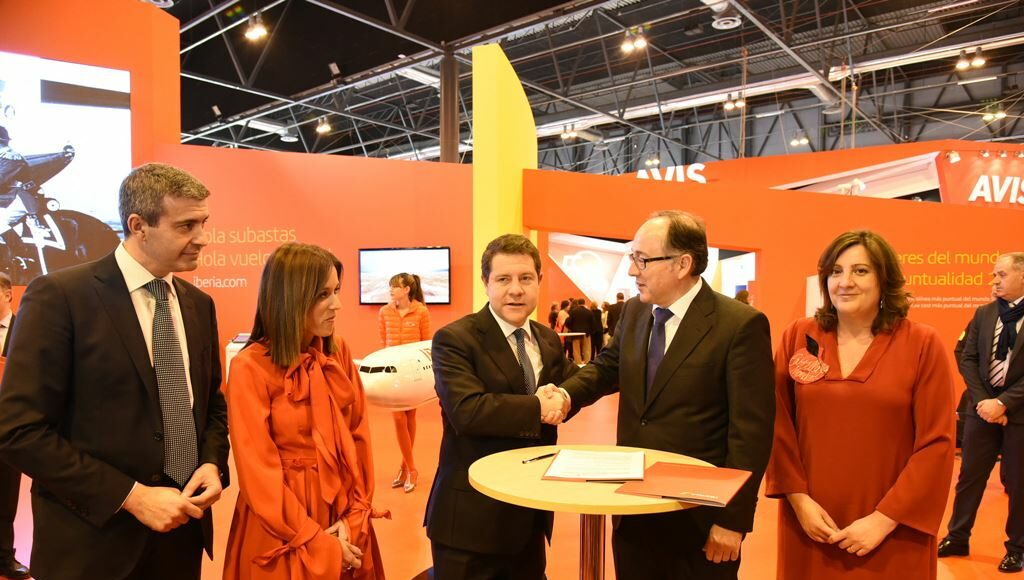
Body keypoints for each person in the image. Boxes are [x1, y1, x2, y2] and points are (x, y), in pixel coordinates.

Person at [0, 163, 230, 580]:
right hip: (92, 546)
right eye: (186, 226)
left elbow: (211, 405)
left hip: (181, 537)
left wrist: (212, 463)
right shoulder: (60, 297)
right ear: (139, 226)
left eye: (204, 223)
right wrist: (132, 497)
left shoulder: (199, 305)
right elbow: (19, 431)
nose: (202, 238)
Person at [556, 210, 774, 579]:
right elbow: (608, 367)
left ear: (682, 264)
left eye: (642, 259)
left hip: (698, 520)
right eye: (632, 258)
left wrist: (732, 521)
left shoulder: (739, 326)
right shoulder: (636, 312)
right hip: (634, 511)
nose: (632, 270)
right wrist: (565, 395)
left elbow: (751, 433)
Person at [766, 230, 954, 580]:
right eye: (835, 271)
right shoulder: (799, 336)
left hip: (893, 530)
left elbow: (937, 443)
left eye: (860, 271)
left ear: (885, 279)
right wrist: (798, 501)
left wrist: (883, 520)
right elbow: (777, 424)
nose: (845, 282)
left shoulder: (922, 343)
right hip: (811, 524)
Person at [223, 242, 387, 580]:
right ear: (290, 298)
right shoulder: (249, 367)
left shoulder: (338, 352)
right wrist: (314, 539)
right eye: (323, 294)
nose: (337, 304)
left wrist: (356, 516)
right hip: (283, 526)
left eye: (336, 291)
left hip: (343, 512)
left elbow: (359, 438)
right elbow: (257, 472)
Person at [425, 234, 576, 579]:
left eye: (526, 278)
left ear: (539, 280)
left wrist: (565, 399)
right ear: (486, 282)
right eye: (504, 279)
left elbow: (571, 386)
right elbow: (468, 411)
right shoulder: (455, 339)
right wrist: (539, 407)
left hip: (529, 514)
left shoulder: (547, 339)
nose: (516, 290)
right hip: (470, 522)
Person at [940, 252, 1024, 573]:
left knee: (1019, 484)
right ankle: (957, 536)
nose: (994, 281)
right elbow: (968, 357)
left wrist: (1004, 403)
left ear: (1022, 276)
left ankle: (1017, 549)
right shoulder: (984, 313)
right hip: (981, 411)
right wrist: (983, 401)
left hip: (1019, 414)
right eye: (993, 275)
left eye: (1001, 274)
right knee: (969, 477)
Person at [378, 272, 431, 493]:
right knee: (399, 418)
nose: (391, 290)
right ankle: (412, 468)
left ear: (407, 289)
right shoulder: (384, 312)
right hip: (394, 375)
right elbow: (383, 342)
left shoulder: (421, 311)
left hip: (413, 375)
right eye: (390, 286)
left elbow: (426, 343)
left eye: (395, 286)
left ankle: (403, 467)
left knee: (409, 418)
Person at [0, 272, 26, 579]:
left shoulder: (28, 330)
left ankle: (5, 557)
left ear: (8, 295)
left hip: (8, 428)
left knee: (5, 498)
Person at [567, 298, 593, 363]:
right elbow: (593, 323)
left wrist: (572, 328)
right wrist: (589, 331)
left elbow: (568, 322)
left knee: (576, 350)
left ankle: (578, 363)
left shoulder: (573, 311)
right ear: (584, 303)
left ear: (578, 303)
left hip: (576, 333)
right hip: (586, 333)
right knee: (587, 350)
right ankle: (587, 363)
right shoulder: (589, 312)